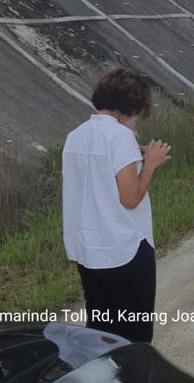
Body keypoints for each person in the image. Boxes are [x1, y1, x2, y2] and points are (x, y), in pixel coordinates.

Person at [62, 68, 170, 343]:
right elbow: (131, 198)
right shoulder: (120, 138)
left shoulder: (75, 136)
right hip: (125, 251)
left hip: (89, 251)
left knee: (100, 330)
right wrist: (151, 163)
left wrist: (136, 152)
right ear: (130, 108)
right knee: (135, 334)